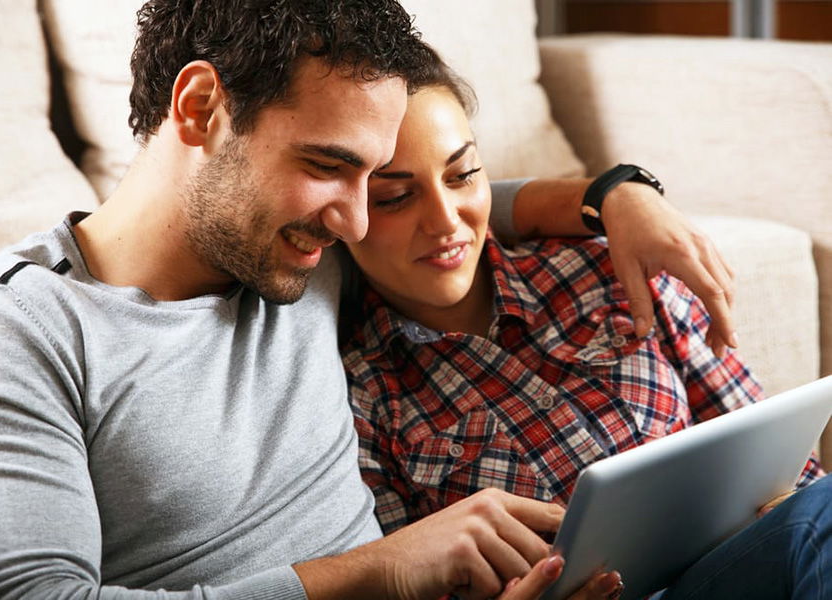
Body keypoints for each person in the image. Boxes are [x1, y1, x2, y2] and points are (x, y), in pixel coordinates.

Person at [0, 1, 748, 599]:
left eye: (372, 179)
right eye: (329, 164)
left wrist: (619, 194)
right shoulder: (8, 331)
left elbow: (457, 207)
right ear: (199, 109)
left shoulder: (307, 245)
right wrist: (381, 569)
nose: (358, 219)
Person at [339, 55, 829, 598]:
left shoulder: (605, 269)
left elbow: (775, 460)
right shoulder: (362, 401)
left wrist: (786, 506)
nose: (447, 221)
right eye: (396, 197)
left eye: (463, 175)